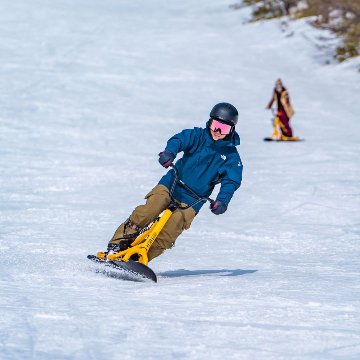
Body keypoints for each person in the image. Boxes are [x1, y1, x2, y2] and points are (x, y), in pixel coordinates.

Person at [106, 102, 243, 262]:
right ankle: (116, 245)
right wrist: (169, 153)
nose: (217, 131)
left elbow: (231, 181)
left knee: (171, 229)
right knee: (150, 209)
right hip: (171, 184)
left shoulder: (232, 157)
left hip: (194, 199)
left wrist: (222, 201)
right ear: (210, 122)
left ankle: (138, 259)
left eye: (224, 128)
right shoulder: (197, 136)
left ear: (231, 130)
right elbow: (179, 140)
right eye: (215, 125)